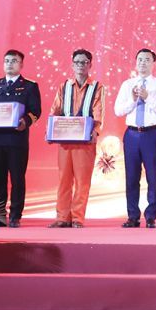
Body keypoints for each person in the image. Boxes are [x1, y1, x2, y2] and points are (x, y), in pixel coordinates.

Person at [0, 50, 42, 228]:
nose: (9, 64)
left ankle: (15, 215)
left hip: (17, 140)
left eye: (14, 61)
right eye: (7, 61)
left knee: (17, 179)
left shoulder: (30, 86)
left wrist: (25, 121)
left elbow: (35, 111)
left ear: (21, 65)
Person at [112, 48, 156, 228]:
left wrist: (148, 98)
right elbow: (118, 111)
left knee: (153, 176)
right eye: (140, 59)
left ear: (153, 63)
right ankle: (133, 216)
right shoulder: (127, 84)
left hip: (151, 134)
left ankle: (151, 216)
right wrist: (132, 100)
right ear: (136, 62)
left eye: (147, 59)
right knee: (131, 177)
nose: (143, 63)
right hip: (131, 134)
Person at [49, 49, 104, 229]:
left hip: (85, 142)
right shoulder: (64, 86)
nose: (81, 65)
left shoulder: (97, 87)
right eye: (77, 62)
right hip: (65, 141)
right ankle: (62, 217)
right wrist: (50, 132)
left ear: (90, 65)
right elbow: (55, 110)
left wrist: (95, 131)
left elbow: (98, 111)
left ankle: (77, 218)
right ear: (72, 65)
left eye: (84, 62)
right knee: (63, 180)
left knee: (82, 181)